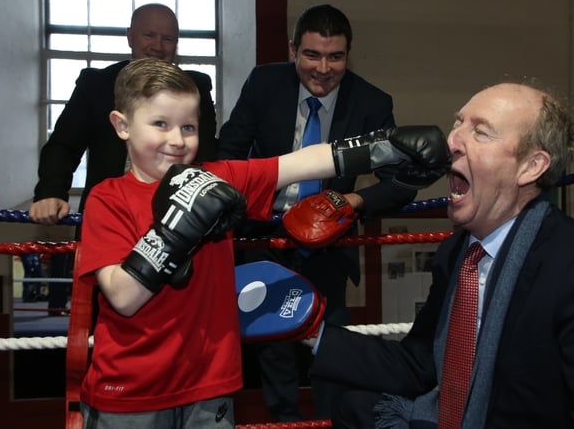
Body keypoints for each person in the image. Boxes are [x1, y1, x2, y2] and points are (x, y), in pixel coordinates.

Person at [74, 57, 449, 428]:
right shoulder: (108, 200)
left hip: (209, 388)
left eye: (188, 126)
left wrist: (387, 146)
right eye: (160, 124)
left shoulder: (215, 179)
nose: (177, 139)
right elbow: (123, 298)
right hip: (130, 392)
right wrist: (173, 231)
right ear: (122, 125)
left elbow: (300, 163)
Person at [304, 81, 574, 428]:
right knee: (353, 406)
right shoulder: (458, 253)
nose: (452, 141)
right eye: (458, 124)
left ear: (531, 167)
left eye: (480, 132)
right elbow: (419, 364)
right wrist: (310, 331)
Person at [217, 3, 416, 421]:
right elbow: (229, 153)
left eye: (335, 57)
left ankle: (331, 423)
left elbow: (399, 182)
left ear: (349, 54)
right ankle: (284, 423)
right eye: (312, 55)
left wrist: (352, 202)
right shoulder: (265, 83)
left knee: (332, 346)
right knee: (272, 350)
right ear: (293, 50)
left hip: (329, 242)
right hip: (264, 237)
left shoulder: (371, 103)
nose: (323, 68)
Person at [29, 3, 217, 315]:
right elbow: (63, 144)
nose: (157, 46)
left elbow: (208, 155)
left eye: (168, 39)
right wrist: (50, 192)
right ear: (129, 36)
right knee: (99, 318)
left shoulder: (195, 86)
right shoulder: (97, 84)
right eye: (149, 35)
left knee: (179, 316)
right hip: (109, 219)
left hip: (175, 222)